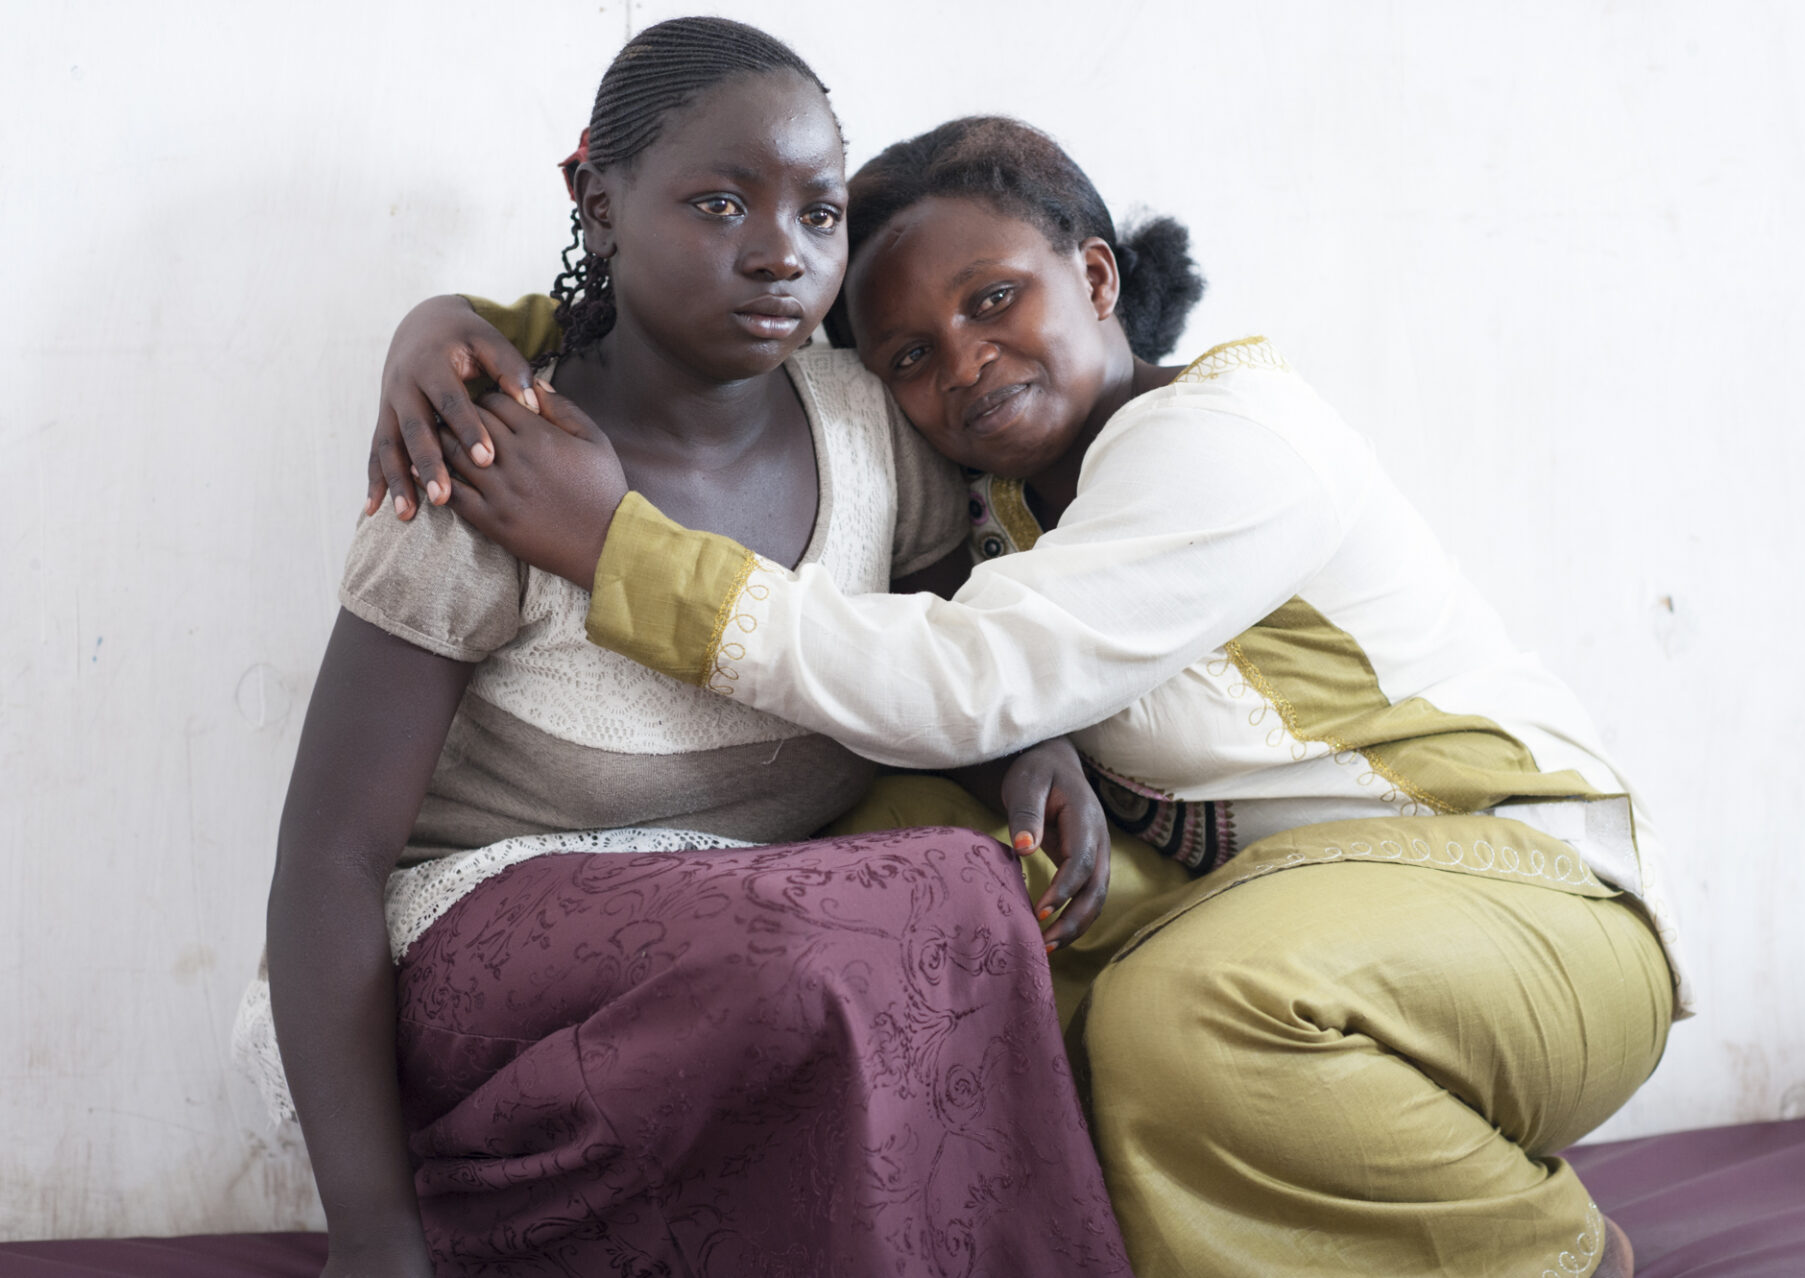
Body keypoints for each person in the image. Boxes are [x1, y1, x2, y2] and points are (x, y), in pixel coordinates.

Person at [373, 114, 1689, 1278]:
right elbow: (693, 336)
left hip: (1522, 902)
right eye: (909, 355)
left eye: (995, 298)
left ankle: (1546, 1254)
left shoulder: (1230, 441)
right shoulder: (997, 498)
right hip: (1257, 909)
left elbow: (970, 675)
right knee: (922, 858)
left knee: (1194, 1012)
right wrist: (460, 333)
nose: (966, 359)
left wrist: (620, 549)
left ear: (1095, 276)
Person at [244, 27, 1136, 1278]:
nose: (781, 252)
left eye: (819, 213)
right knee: (860, 920)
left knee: (962, 893)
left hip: (764, 951)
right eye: (721, 204)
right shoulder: (495, 463)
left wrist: (1030, 752)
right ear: (597, 207)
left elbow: (943, 652)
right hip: (489, 971)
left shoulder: (869, 431)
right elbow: (327, 860)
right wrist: (370, 1234)